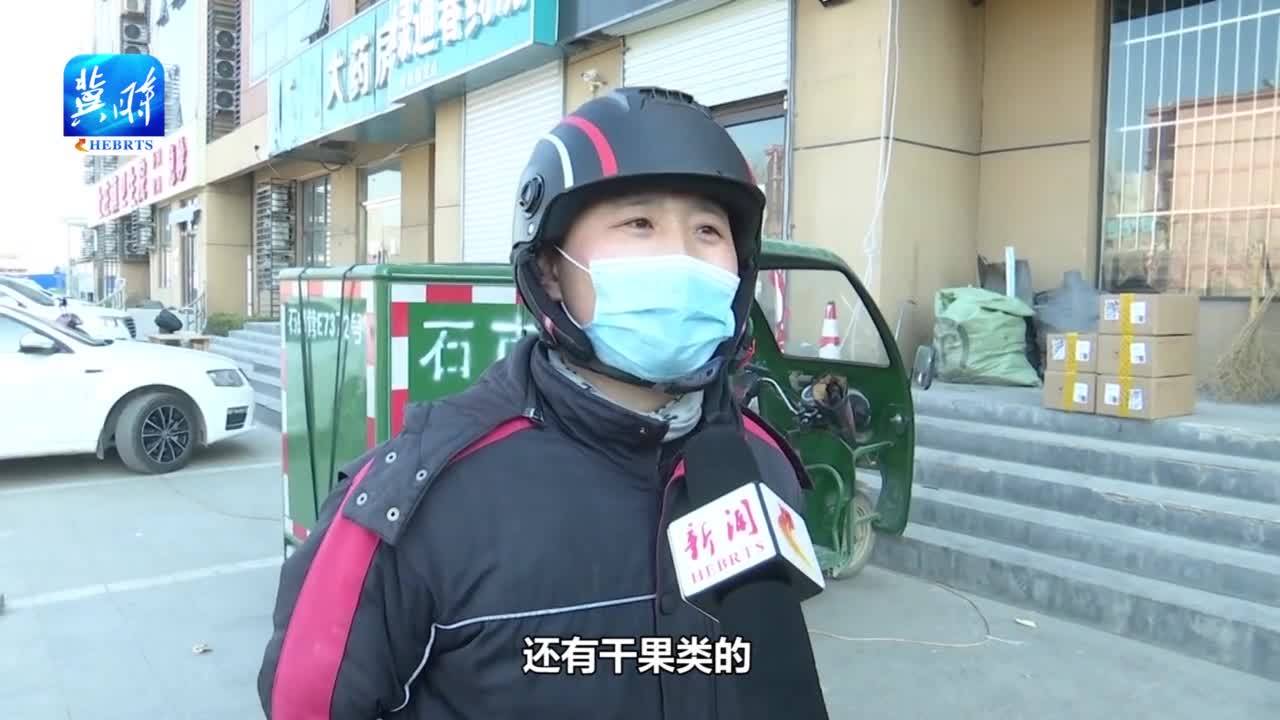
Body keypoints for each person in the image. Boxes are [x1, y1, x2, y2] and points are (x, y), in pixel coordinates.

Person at [257, 86, 811, 720]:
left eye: (708, 230)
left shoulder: (763, 465)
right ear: (550, 268)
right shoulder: (419, 499)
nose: (681, 256)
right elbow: (308, 703)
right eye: (639, 223)